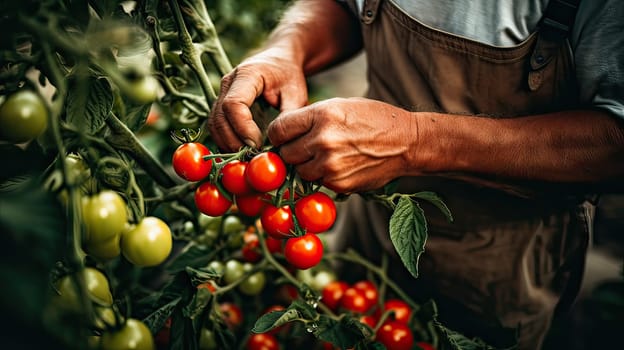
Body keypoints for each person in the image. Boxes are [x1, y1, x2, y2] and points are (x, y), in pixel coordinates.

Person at [208, 0, 624, 348]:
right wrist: (288, 47)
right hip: (368, 225)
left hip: (500, 271)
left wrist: (414, 141)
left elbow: (614, 142)